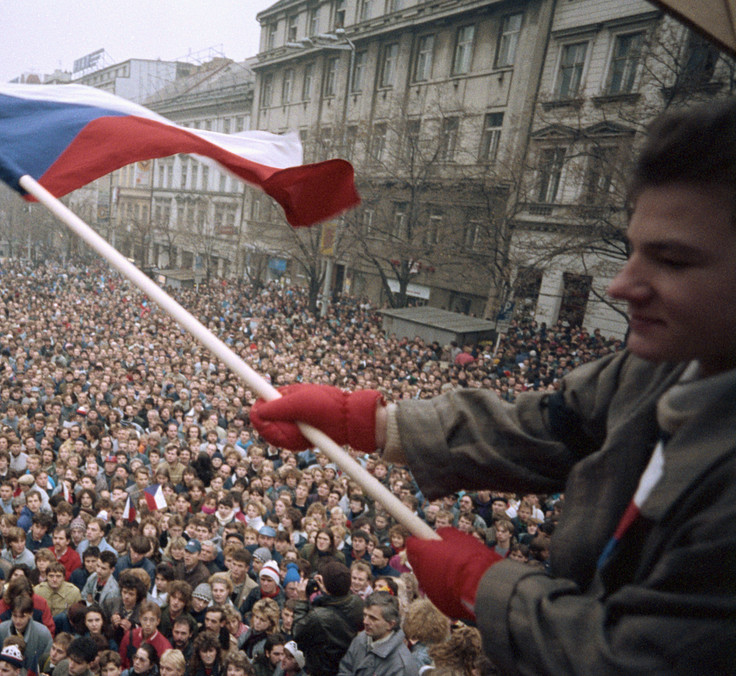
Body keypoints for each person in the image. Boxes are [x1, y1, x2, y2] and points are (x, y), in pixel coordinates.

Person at [250, 95, 736, 676]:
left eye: (674, 261)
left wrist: (489, 589)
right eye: (633, 251)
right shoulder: (666, 362)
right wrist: (374, 423)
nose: (622, 284)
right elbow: (549, 423)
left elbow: (638, 660)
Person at [290, 560, 361, 675]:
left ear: (327, 587)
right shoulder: (357, 602)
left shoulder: (318, 617)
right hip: (347, 667)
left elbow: (297, 633)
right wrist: (326, 593)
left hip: (324, 670)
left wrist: (302, 601)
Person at [334, 593, 415, 676]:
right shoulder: (361, 639)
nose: (365, 621)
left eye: (373, 618)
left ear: (390, 624)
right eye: (365, 615)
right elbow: (345, 669)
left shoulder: (401, 665)